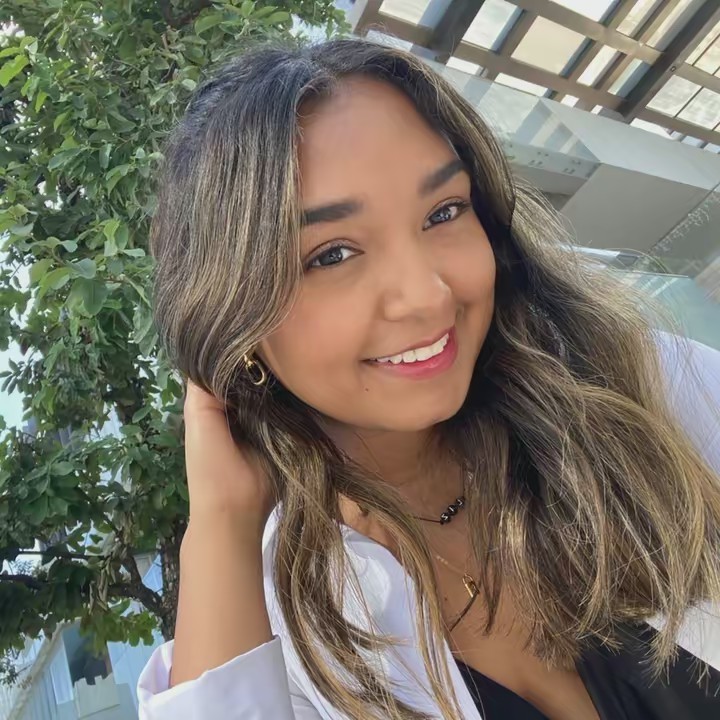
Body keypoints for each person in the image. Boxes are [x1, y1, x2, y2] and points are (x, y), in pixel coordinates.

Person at [137, 39, 720, 720]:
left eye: (444, 212)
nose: (428, 295)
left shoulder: (639, 394)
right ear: (234, 316)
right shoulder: (279, 626)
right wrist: (221, 523)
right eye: (332, 254)